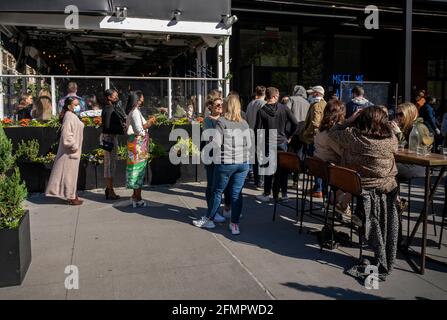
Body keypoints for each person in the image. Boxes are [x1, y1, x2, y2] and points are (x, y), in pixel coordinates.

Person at [328, 106, 399, 279]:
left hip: (361, 188)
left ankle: (349, 211)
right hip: (387, 188)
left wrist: (348, 121)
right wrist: (394, 130)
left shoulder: (353, 137)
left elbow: (332, 132)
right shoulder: (391, 140)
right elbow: (396, 146)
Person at [193, 94, 251, 235]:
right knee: (236, 194)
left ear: (227, 106)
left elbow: (216, 144)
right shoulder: (244, 122)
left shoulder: (222, 122)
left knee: (217, 191)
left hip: (226, 163)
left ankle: (208, 219)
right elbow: (248, 144)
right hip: (242, 163)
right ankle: (234, 225)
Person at [255, 87, 299, 203]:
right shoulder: (284, 108)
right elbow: (295, 123)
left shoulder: (261, 111)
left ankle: (266, 193)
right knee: (283, 169)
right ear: (274, 96)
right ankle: (283, 194)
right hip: (282, 142)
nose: (279, 97)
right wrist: (288, 136)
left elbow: (258, 130)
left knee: (269, 170)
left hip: (268, 142)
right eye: (278, 95)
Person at [314, 100, 351, 217]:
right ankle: (339, 203)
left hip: (320, 165)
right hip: (331, 168)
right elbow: (342, 153)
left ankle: (333, 200)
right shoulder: (331, 133)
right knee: (358, 177)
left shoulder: (321, 129)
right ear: (339, 114)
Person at [45, 97, 84, 205]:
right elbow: (66, 136)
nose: (77, 106)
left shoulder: (71, 115)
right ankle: (72, 197)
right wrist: (74, 147)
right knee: (69, 176)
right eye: (75, 105)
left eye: (78, 104)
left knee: (69, 175)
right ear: (68, 106)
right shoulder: (70, 117)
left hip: (72, 153)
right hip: (70, 153)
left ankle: (72, 195)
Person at [203, 97, 231, 221]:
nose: (220, 107)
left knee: (221, 186)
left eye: (221, 105)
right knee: (212, 185)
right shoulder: (208, 120)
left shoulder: (225, 119)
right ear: (211, 107)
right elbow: (210, 138)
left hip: (223, 155)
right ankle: (212, 212)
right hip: (211, 155)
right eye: (217, 105)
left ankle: (224, 209)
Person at [125, 91, 154, 208]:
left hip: (134, 144)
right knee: (139, 171)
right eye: (141, 98)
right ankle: (138, 198)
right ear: (137, 99)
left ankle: (134, 196)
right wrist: (149, 124)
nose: (143, 99)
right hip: (138, 144)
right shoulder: (135, 112)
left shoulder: (132, 111)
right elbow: (139, 130)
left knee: (135, 169)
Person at [299, 85, 327, 198]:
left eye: (312, 93)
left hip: (313, 138)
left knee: (315, 165)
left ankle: (318, 188)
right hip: (320, 138)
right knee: (319, 164)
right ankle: (318, 187)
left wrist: (306, 133)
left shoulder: (316, 105)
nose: (310, 95)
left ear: (316, 94)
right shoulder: (324, 104)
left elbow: (315, 123)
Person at [101, 89, 127, 200]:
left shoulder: (111, 108)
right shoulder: (109, 109)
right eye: (115, 96)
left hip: (110, 138)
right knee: (110, 165)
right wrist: (121, 128)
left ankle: (109, 189)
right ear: (109, 97)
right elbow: (107, 126)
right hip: (109, 138)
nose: (117, 97)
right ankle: (110, 190)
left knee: (110, 164)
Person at [245, 86, 266, 188]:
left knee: (255, 157)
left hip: (251, 132)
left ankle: (257, 181)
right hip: (260, 133)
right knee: (261, 158)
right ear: (264, 93)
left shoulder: (250, 104)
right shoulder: (263, 104)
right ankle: (261, 181)